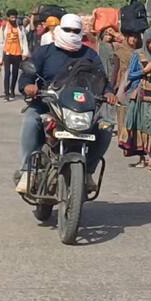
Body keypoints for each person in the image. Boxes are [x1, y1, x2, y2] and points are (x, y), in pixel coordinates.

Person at [16, 14, 116, 194]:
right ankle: (27, 171)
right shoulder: (45, 52)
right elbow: (26, 76)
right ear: (60, 29)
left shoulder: (89, 54)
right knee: (31, 120)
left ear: (81, 32)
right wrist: (28, 86)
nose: (71, 33)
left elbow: (102, 78)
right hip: (48, 103)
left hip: (80, 109)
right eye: (68, 29)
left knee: (105, 128)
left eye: (76, 31)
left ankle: (88, 172)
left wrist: (108, 92)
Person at [118, 29, 151, 170]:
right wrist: (145, 70)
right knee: (140, 127)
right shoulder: (137, 55)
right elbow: (131, 75)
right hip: (140, 97)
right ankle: (142, 157)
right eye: (148, 43)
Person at [0, 9, 29, 102]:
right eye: (11, 17)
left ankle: (12, 91)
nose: (13, 19)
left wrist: (25, 53)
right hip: (7, 53)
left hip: (17, 53)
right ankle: (6, 94)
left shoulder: (20, 27)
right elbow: (0, 42)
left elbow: (24, 40)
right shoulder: (4, 27)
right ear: (8, 18)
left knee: (15, 74)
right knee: (7, 74)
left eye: (15, 17)